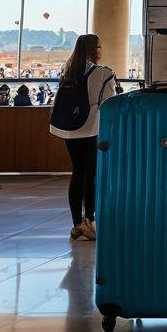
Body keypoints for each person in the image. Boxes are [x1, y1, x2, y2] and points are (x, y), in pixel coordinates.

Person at [49, 34, 116, 241]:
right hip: (90, 129)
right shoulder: (103, 73)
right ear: (96, 49)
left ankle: (76, 222)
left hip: (68, 129)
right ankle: (90, 220)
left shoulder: (68, 70)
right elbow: (110, 103)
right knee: (91, 174)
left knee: (77, 172)